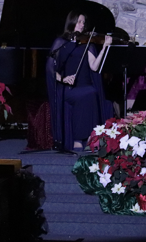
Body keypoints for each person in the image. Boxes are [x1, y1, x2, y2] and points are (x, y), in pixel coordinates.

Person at [46, 10, 113, 151]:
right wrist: (63, 79)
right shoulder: (61, 43)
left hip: (85, 86)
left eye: (83, 22)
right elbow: (51, 69)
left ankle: (88, 138)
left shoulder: (87, 43)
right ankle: (78, 139)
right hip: (67, 88)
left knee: (91, 92)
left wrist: (104, 48)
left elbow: (94, 67)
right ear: (71, 23)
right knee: (86, 94)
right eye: (79, 22)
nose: (82, 25)